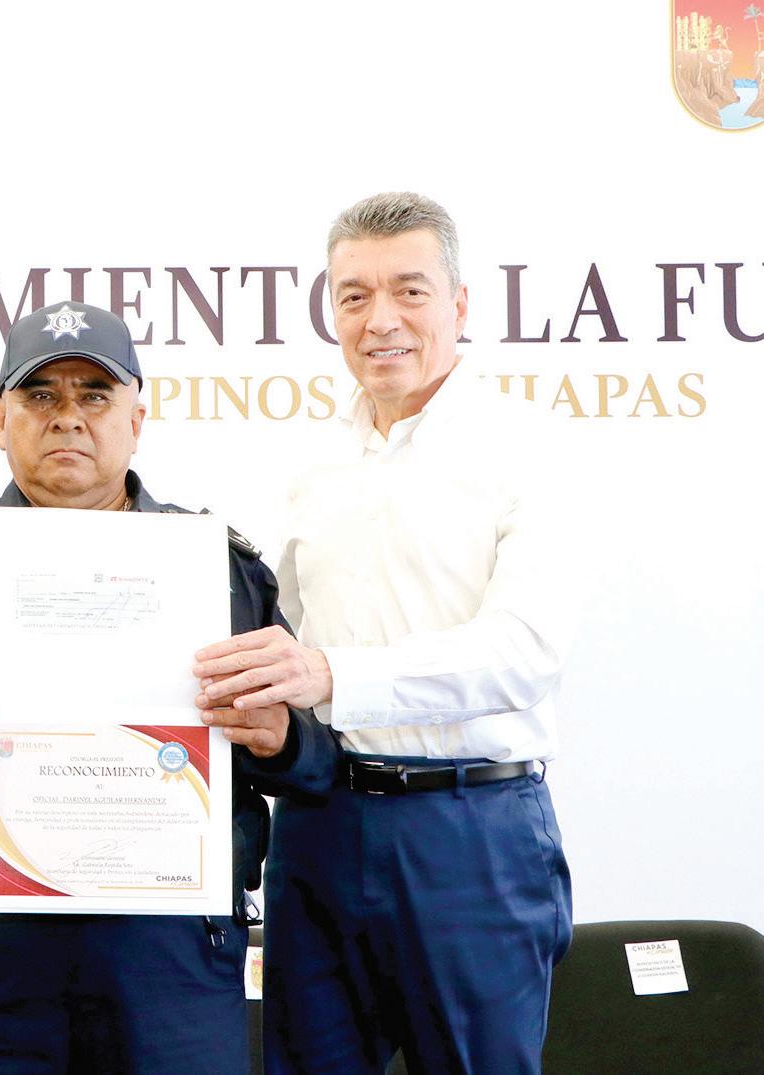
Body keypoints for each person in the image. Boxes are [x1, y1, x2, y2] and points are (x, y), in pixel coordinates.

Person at [0, 301, 337, 1074]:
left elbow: (320, 757)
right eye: (40, 395)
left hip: (168, 960)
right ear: (0, 419)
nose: (67, 417)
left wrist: (283, 738)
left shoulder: (217, 569)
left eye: (94, 394)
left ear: (137, 419)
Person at [195, 192, 574, 1073]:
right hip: (319, 827)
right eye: (354, 295)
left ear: (460, 304)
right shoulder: (308, 464)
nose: (381, 319)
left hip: (470, 831)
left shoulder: (529, 446)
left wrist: (331, 674)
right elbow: (280, 639)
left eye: (409, 290)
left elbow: (524, 652)